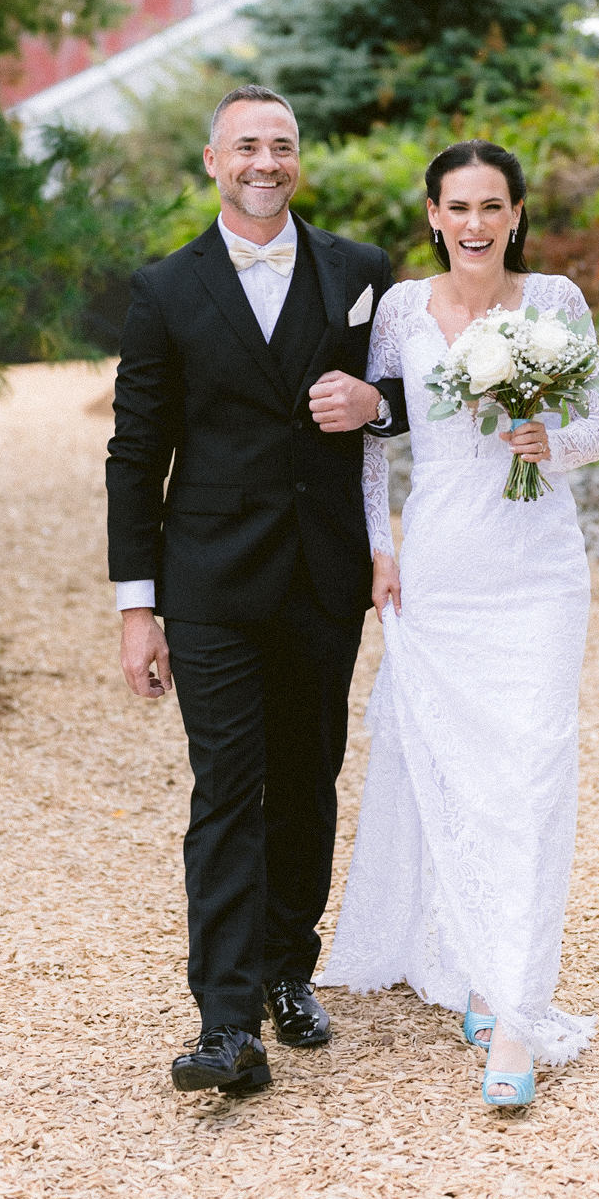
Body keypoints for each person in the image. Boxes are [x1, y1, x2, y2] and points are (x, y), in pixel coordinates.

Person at [106, 86, 409, 1096]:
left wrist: (377, 404)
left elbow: (424, 390)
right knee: (226, 790)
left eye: (280, 145)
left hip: (323, 579)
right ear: (210, 161)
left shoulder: (362, 274)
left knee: (305, 782)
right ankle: (226, 1022)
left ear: (299, 161)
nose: (264, 162)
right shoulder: (163, 291)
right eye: (245, 146)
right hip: (210, 585)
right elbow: (134, 453)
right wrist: (135, 605)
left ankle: (288, 966)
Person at [319, 139, 599, 1107]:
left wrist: (548, 439)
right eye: (458, 208)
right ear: (433, 216)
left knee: (530, 773)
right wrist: (379, 546)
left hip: (536, 571)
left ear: (516, 215)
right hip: (438, 567)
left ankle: (514, 1014)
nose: (476, 224)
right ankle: (470, 954)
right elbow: (371, 439)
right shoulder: (402, 311)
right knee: (450, 767)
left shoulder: (554, 302)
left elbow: (595, 428)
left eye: (494, 207)